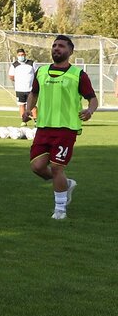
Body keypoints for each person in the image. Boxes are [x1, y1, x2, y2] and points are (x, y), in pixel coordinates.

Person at [24, 35, 97, 220]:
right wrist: (28, 109)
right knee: (37, 167)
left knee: (57, 168)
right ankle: (66, 183)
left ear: (70, 51)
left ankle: (60, 209)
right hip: (43, 127)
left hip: (66, 129)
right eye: (54, 45)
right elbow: (34, 93)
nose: (57, 48)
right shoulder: (41, 72)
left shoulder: (78, 75)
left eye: (62, 46)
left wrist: (90, 110)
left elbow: (92, 98)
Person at [9, 48, 36, 125]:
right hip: (19, 89)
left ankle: (36, 121)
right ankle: (24, 121)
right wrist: (19, 81)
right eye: (19, 55)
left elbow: (36, 74)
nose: (21, 56)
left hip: (30, 89)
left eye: (22, 55)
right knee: (21, 105)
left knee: (32, 105)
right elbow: (11, 76)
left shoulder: (31, 63)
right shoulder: (14, 65)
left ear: (25, 55)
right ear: (17, 56)